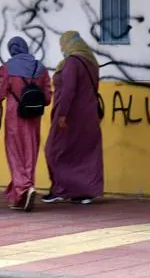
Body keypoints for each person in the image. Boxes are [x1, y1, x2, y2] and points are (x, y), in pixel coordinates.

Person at [42, 31, 104, 205]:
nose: (61, 47)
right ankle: (85, 193)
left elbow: (69, 90)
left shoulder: (71, 63)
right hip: (89, 115)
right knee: (85, 153)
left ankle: (60, 189)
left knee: (54, 150)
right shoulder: (92, 63)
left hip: (71, 115)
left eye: (62, 43)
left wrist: (62, 114)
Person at [0, 36, 52, 211]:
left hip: (15, 116)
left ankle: (24, 188)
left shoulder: (8, 68)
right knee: (30, 153)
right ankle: (25, 189)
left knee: (15, 153)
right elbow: (47, 98)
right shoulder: (40, 68)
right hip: (34, 116)